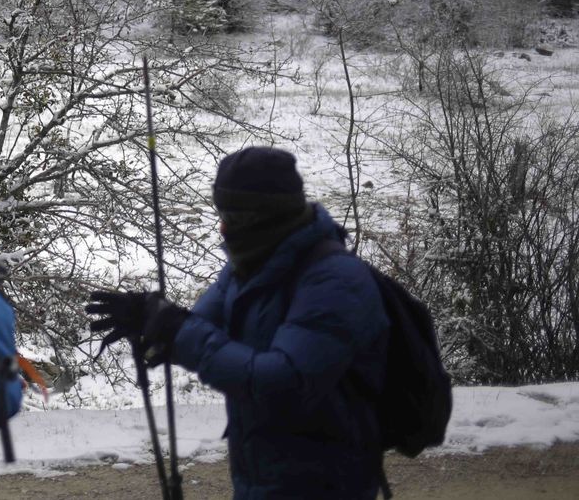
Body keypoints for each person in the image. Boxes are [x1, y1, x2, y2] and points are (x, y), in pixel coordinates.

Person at [87, 146, 389, 500]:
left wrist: (180, 332)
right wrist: (149, 316)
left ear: (269, 215)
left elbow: (282, 380)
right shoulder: (247, 265)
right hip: (260, 479)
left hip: (328, 482)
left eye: (234, 215)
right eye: (221, 213)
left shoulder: (334, 281)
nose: (223, 227)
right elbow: (199, 326)